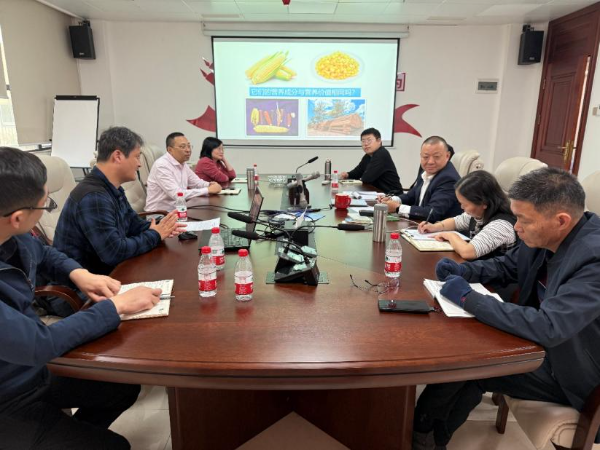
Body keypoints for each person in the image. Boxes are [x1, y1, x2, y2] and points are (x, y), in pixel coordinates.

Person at [413, 167, 600, 450]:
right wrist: (465, 272)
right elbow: (508, 265)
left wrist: (469, 299)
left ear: (561, 220)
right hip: (543, 344)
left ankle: (421, 436)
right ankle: (428, 435)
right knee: (465, 357)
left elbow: (549, 326)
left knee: (470, 365)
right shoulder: (547, 234)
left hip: (574, 372)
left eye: (523, 220)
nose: (516, 227)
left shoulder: (594, 258)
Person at [0, 146, 161, 449]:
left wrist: (79, 274)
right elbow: (38, 344)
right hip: (8, 397)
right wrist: (115, 307)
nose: (47, 208)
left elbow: (44, 254)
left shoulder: (11, 233)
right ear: (18, 218)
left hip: (30, 371)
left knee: (121, 388)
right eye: (45, 204)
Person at [54, 127, 183, 277]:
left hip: (109, 272)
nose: (139, 164)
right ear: (118, 156)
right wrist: (155, 234)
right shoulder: (93, 196)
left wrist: (163, 227)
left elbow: (133, 224)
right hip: (86, 284)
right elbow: (114, 252)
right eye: (137, 157)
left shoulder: (112, 188)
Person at [417, 170, 517, 260]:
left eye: (465, 204)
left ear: (484, 203)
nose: (462, 207)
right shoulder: (479, 213)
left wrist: (450, 235)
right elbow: (456, 222)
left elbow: (468, 252)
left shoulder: (501, 225)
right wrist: (435, 227)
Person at [380, 136, 461, 223]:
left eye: (436, 157)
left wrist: (398, 208)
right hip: (420, 224)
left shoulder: (448, 178)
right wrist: (392, 200)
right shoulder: (426, 170)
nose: (430, 162)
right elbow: (411, 195)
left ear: (447, 156)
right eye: (425, 157)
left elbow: (432, 213)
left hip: (440, 229)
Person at [145, 132, 222, 211]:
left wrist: (209, 184)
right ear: (170, 150)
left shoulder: (182, 164)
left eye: (189, 146)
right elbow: (177, 194)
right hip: (161, 215)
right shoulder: (162, 166)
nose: (188, 150)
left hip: (179, 210)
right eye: (183, 147)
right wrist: (208, 190)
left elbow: (196, 182)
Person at [340, 128, 402, 193]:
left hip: (391, 195)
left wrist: (359, 179)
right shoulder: (368, 156)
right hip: (378, 193)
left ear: (379, 141)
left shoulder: (381, 154)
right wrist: (348, 174)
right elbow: (358, 171)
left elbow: (367, 179)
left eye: (369, 140)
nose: (366, 144)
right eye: (363, 141)